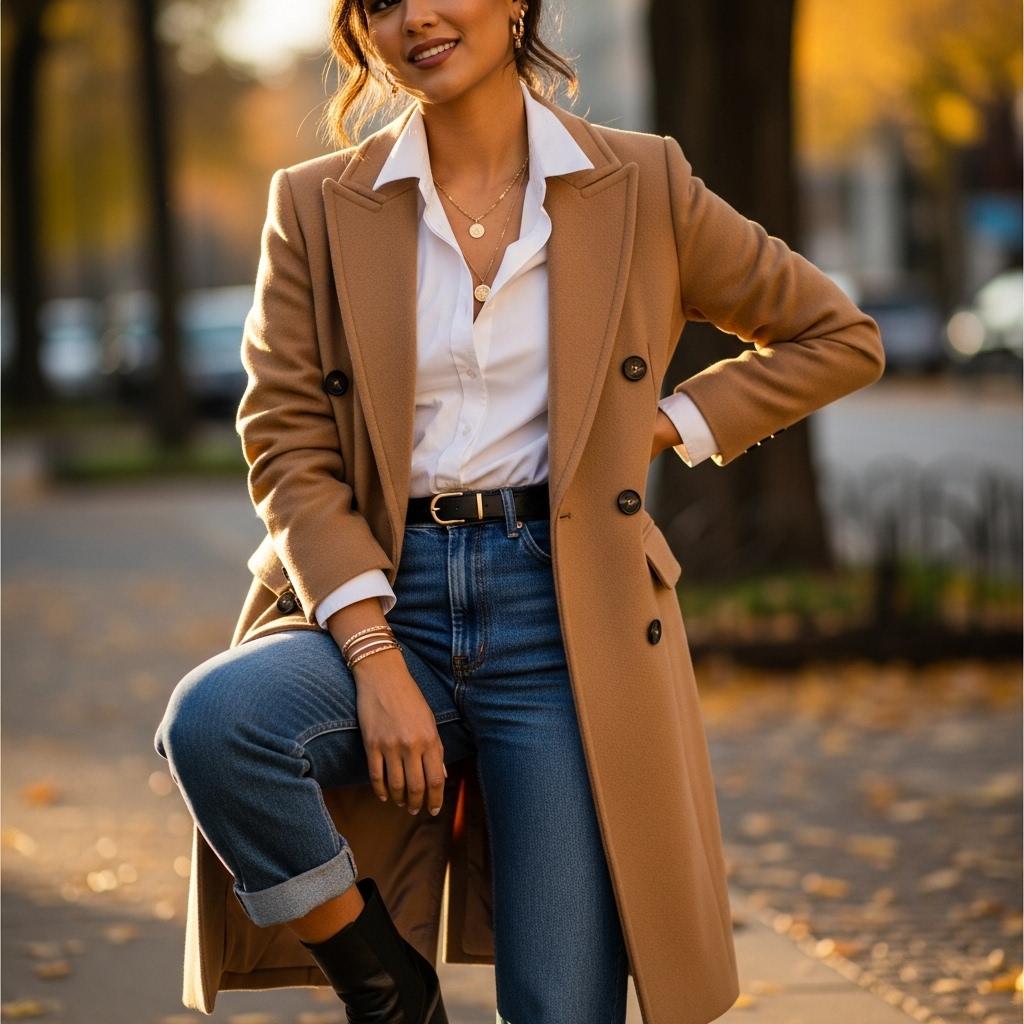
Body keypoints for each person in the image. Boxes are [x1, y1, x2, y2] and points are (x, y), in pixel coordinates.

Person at [155, 0, 884, 1021]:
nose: (415, 16)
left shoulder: (641, 181)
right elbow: (286, 442)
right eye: (378, 1)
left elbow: (836, 336)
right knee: (218, 723)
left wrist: (661, 424)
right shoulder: (317, 204)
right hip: (383, 596)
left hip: (564, 614)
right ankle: (381, 980)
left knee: (562, 1006)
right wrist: (370, 655)